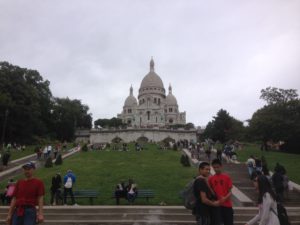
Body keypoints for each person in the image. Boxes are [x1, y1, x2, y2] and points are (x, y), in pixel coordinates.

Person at [209, 159, 234, 225]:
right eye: (214, 167)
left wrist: (224, 198)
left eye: (217, 167)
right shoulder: (211, 179)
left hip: (227, 206)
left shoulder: (227, 177)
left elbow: (230, 192)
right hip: (217, 206)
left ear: (221, 166)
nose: (216, 169)